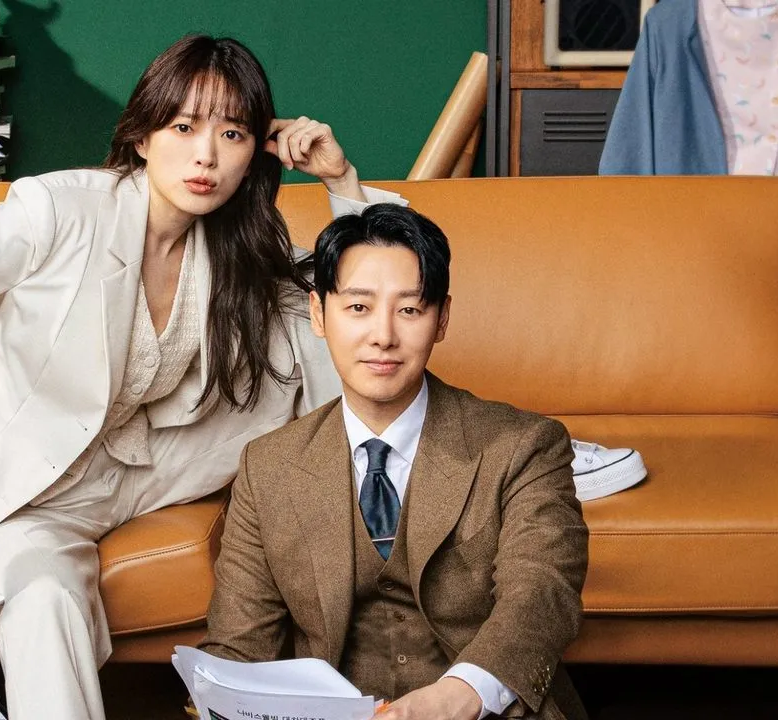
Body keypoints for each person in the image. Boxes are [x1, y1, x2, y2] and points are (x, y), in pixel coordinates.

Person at [0, 34, 405, 720]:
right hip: (23, 496)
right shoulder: (57, 211)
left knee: (329, 346)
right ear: (141, 136)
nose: (206, 156)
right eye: (183, 127)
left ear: (256, 152)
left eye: (232, 133)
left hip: (148, 479)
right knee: (43, 597)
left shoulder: (245, 243)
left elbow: (372, 299)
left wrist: (341, 182)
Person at [200, 204, 589, 720]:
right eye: (358, 307)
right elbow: (239, 649)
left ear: (441, 319)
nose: (383, 335)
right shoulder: (267, 467)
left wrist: (456, 698)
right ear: (318, 314)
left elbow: (542, 594)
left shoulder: (525, 445)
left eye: (409, 310)